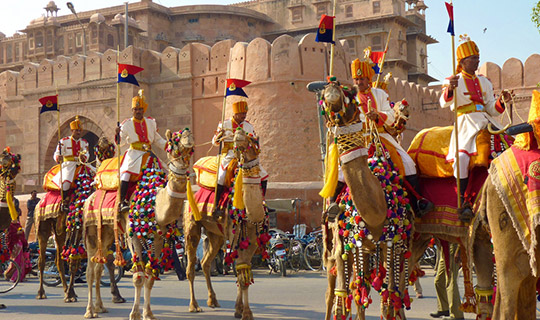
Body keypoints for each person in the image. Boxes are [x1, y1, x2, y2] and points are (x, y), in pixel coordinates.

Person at [350, 53, 433, 216]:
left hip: (382, 137)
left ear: (368, 79)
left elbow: (391, 115)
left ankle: (417, 204)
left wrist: (378, 115)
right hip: (361, 140)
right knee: (341, 171)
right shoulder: (351, 98)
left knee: (408, 163)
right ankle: (335, 206)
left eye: (362, 79)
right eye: (356, 80)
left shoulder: (380, 94)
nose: (359, 83)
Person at [440, 35, 511, 222]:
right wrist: (450, 89)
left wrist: (501, 102)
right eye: (473, 58)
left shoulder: (485, 82)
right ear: (462, 61)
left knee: (509, 143)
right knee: (462, 157)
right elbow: (443, 102)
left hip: (486, 120)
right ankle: (462, 201)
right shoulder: (453, 80)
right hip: (466, 123)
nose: (477, 61)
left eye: (478, 58)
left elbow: (491, 108)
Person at [211, 100, 268, 217]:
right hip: (230, 155)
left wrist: (253, 142)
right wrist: (219, 136)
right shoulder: (224, 124)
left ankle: (262, 201)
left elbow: (255, 142)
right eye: (242, 114)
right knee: (221, 176)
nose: (244, 116)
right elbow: (214, 142)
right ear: (236, 114)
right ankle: (216, 206)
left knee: (263, 174)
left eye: (245, 114)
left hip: (245, 155)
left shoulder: (248, 126)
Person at [116, 89, 167, 212]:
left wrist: (170, 146)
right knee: (125, 175)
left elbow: (157, 140)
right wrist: (117, 134)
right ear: (132, 110)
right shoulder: (126, 124)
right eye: (135, 109)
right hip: (134, 155)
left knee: (164, 173)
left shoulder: (151, 123)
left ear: (143, 109)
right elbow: (120, 141)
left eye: (140, 109)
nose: (138, 112)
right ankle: (122, 202)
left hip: (148, 155)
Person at [52, 116, 89, 211]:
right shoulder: (64, 142)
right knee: (66, 183)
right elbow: (56, 153)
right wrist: (58, 157)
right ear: (72, 131)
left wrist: (84, 157)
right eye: (76, 130)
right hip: (68, 165)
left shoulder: (84, 142)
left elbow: (87, 154)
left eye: (80, 130)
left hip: (81, 165)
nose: (79, 132)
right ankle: (63, 202)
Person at [430, 243, 464, 320]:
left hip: (453, 247)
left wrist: (458, 250)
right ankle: (444, 308)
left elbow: (463, 232)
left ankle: (457, 315)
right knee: (438, 281)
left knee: (451, 281)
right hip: (443, 248)